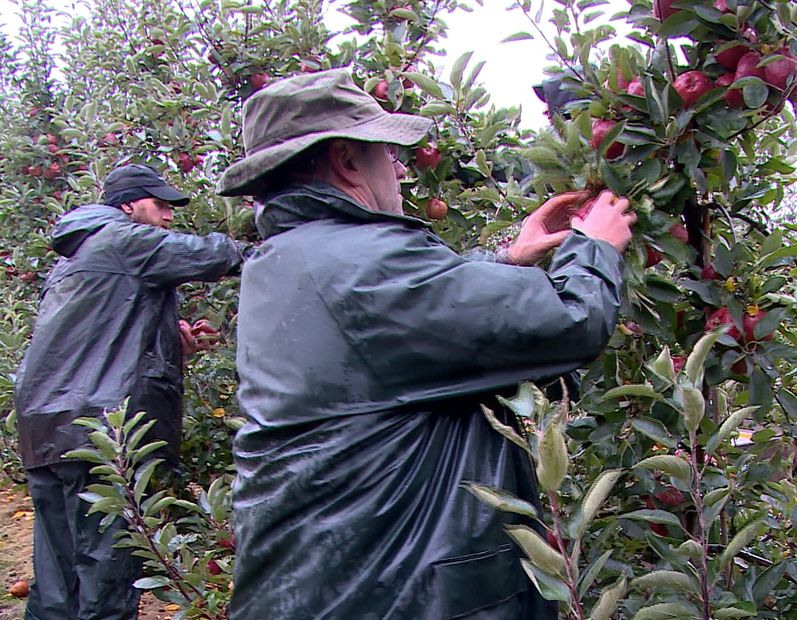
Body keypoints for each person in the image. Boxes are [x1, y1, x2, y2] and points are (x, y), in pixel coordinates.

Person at [217, 67, 636, 619]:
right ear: (346, 161)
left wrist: (509, 260)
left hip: (328, 582)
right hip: (392, 593)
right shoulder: (364, 264)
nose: (396, 168)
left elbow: (398, 342)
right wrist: (594, 246)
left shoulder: (288, 260)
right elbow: (570, 320)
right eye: (386, 153)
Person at [14, 163, 250, 619]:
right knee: (106, 573)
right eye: (159, 205)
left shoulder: (75, 255)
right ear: (128, 206)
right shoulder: (125, 238)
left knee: (58, 577)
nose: (168, 216)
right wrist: (281, 241)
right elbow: (213, 255)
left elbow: (97, 336)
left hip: (45, 426)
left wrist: (166, 336)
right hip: (97, 431)